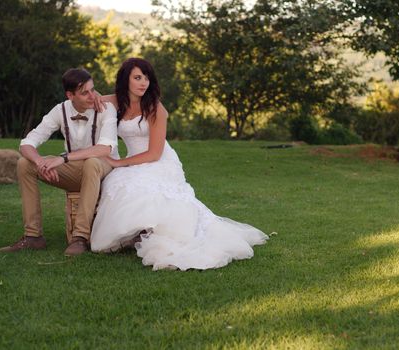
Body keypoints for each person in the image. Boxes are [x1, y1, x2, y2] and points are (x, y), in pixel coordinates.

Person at [90, 58, 268, 270]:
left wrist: (120, 163)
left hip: (158, 160)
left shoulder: (155, 107)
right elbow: (91, 98)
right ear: (125, 80)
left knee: (142, 187)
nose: (143, 83)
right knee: (118, 184)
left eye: (147, 78)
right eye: (137, 77)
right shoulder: (116, 101)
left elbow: (154, 153)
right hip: (133, 160)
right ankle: (135, 233)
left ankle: (152, 232)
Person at [0, 68, 119, 256]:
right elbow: (27, 143)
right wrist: (39, 162)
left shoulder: (106, 109)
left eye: (92, 90)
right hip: (76, 170)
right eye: (84, 92)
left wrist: (62, 158)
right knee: (24, 163)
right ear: (70, 95)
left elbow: (105, 148)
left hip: (105, 167)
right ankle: (33, 236)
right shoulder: (60, 110)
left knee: (92, 162)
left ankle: (80, 237)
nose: (92, 96)